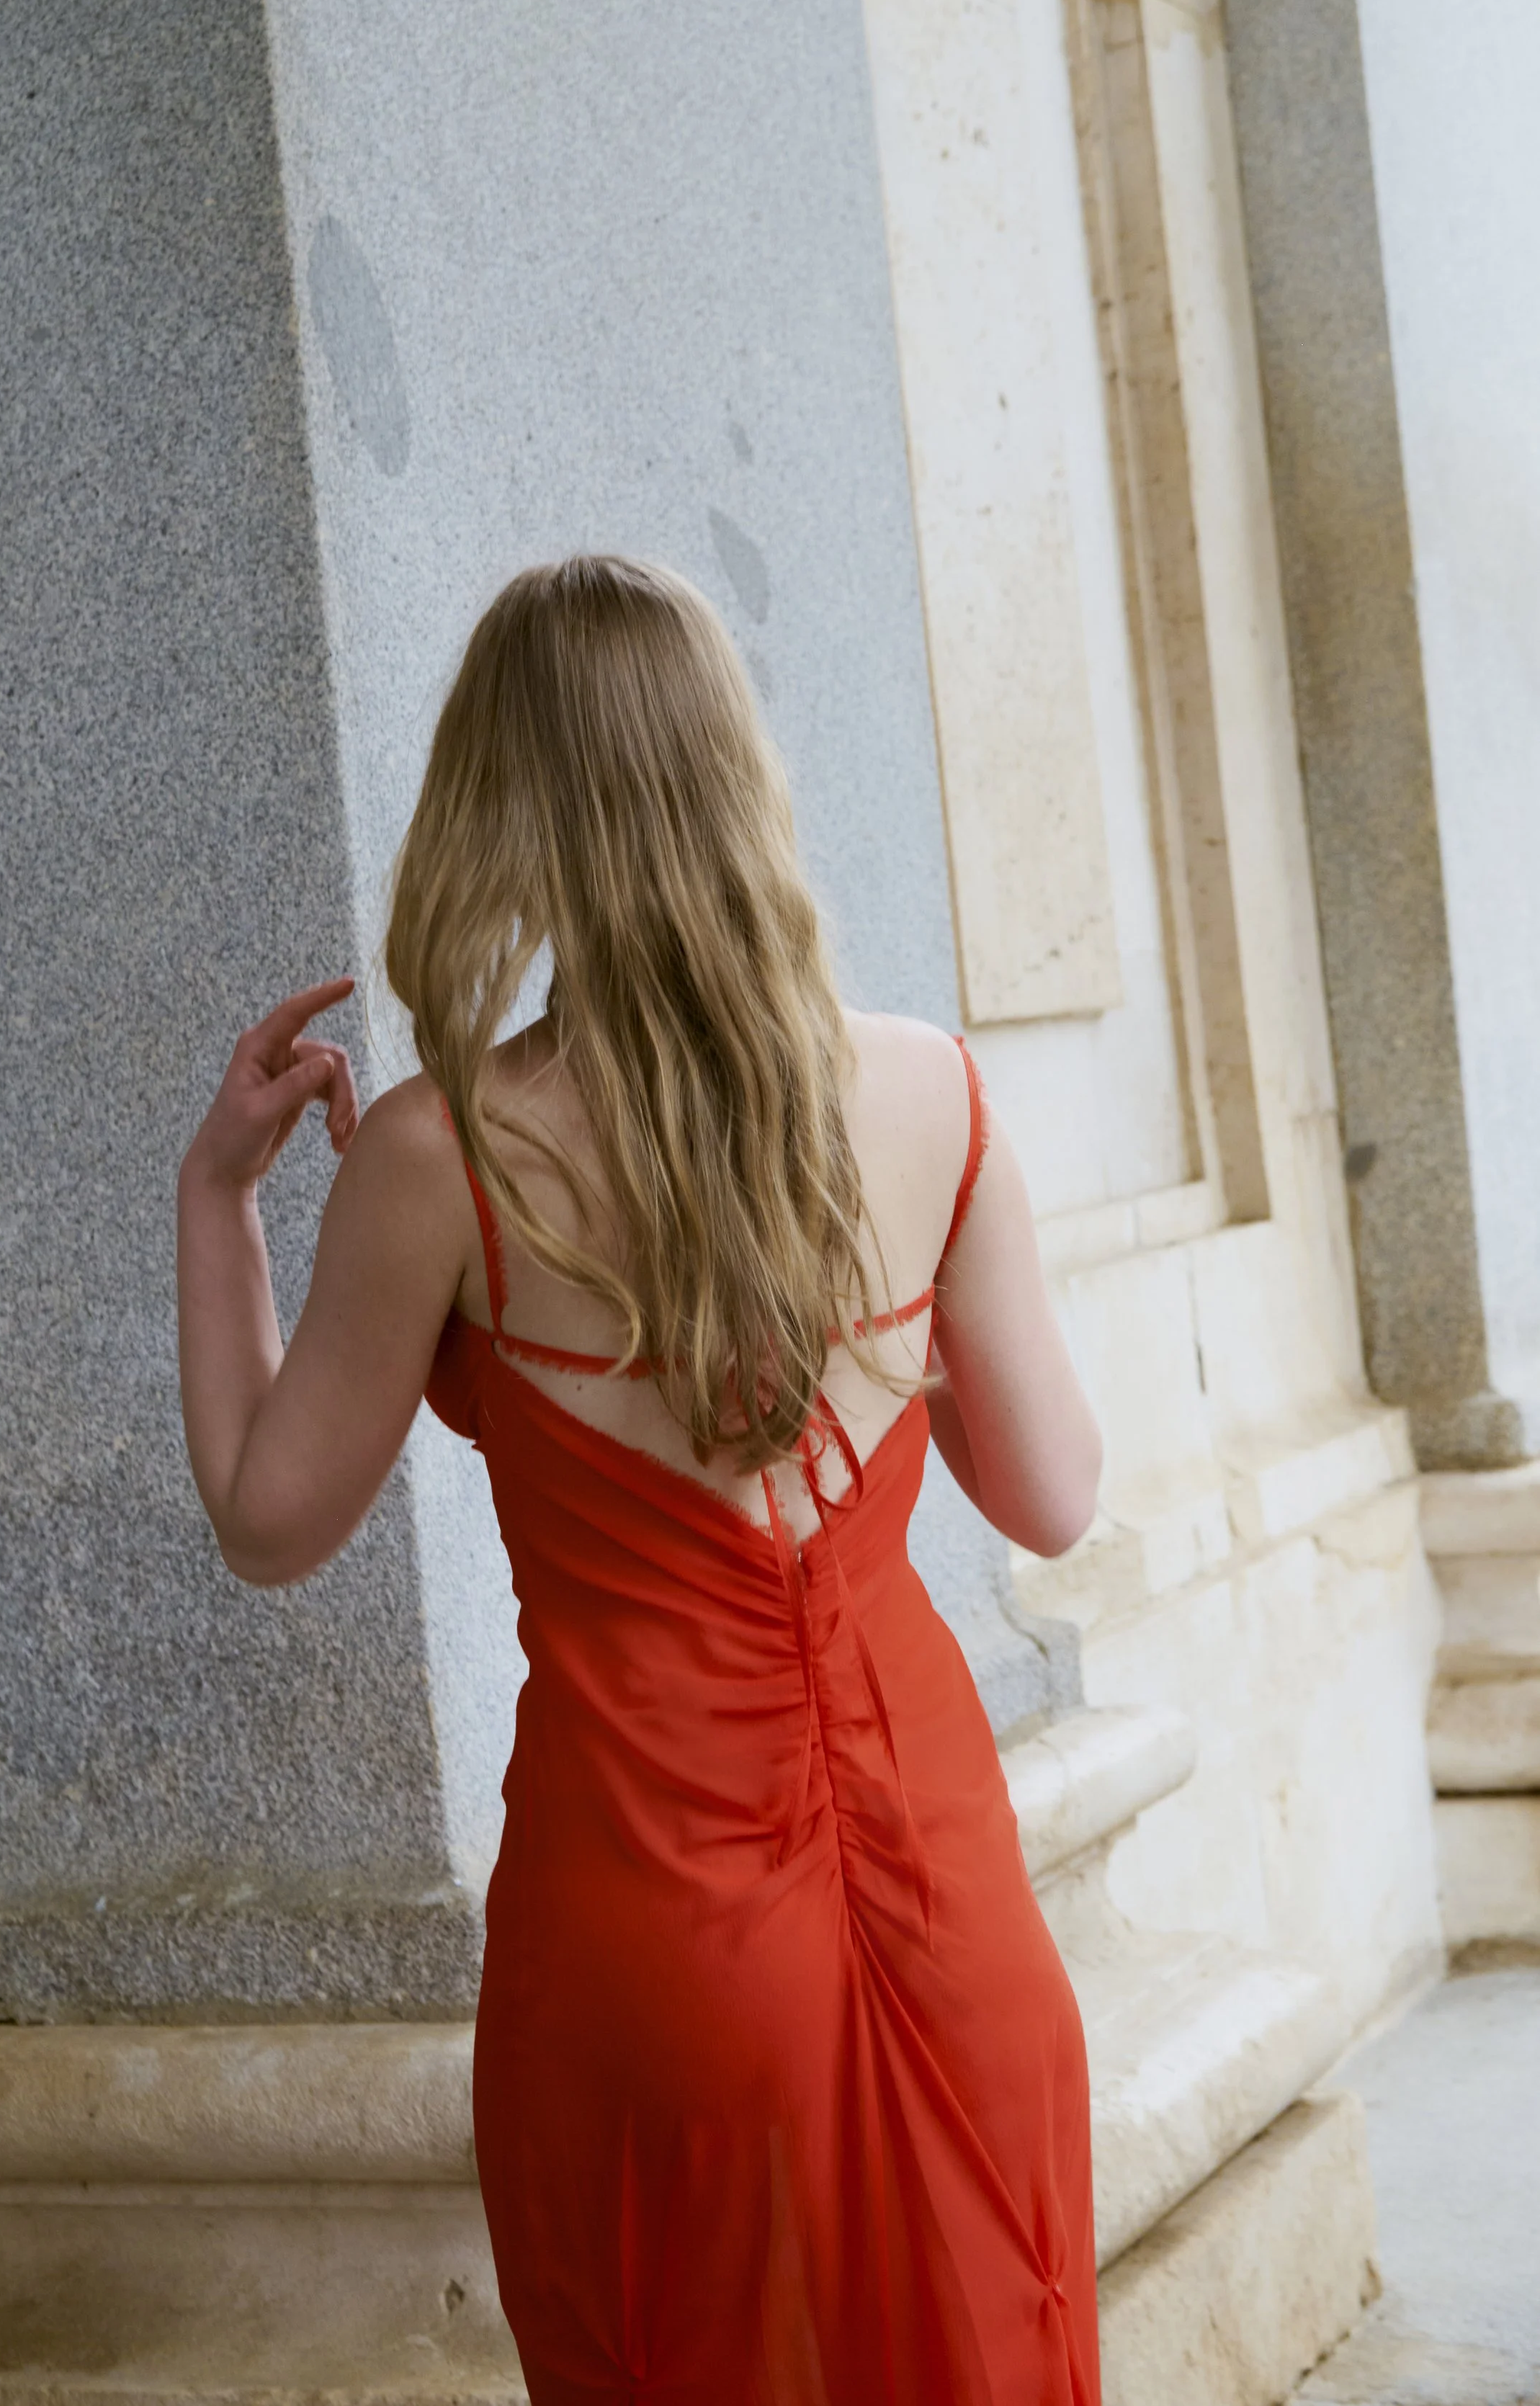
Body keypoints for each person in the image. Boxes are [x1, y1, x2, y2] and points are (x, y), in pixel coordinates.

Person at [177, 554, 1103, 2405]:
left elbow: (268, 1523)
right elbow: (1050, 1496)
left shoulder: (443, 1160)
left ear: (500, 812)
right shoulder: (934, 1092)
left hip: (652, 1938)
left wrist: (219, 1204)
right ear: (735, 777)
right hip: (947, 1914)